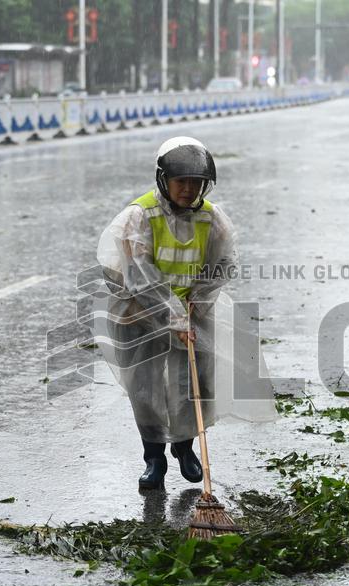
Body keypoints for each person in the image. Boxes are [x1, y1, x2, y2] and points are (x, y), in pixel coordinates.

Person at [95, 137, 240, 491]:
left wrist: (195, 305)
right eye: (181, 182)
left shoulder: (212, 218)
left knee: (192, 384)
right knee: (146, 388)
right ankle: (154, 458)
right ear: (163, 179)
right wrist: (171, 317)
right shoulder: (140, 216)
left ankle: (184, 446)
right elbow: (139, 275)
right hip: (139, 313)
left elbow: (224, 264)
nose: (188, 190)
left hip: (192, 312)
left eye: (196, 183)